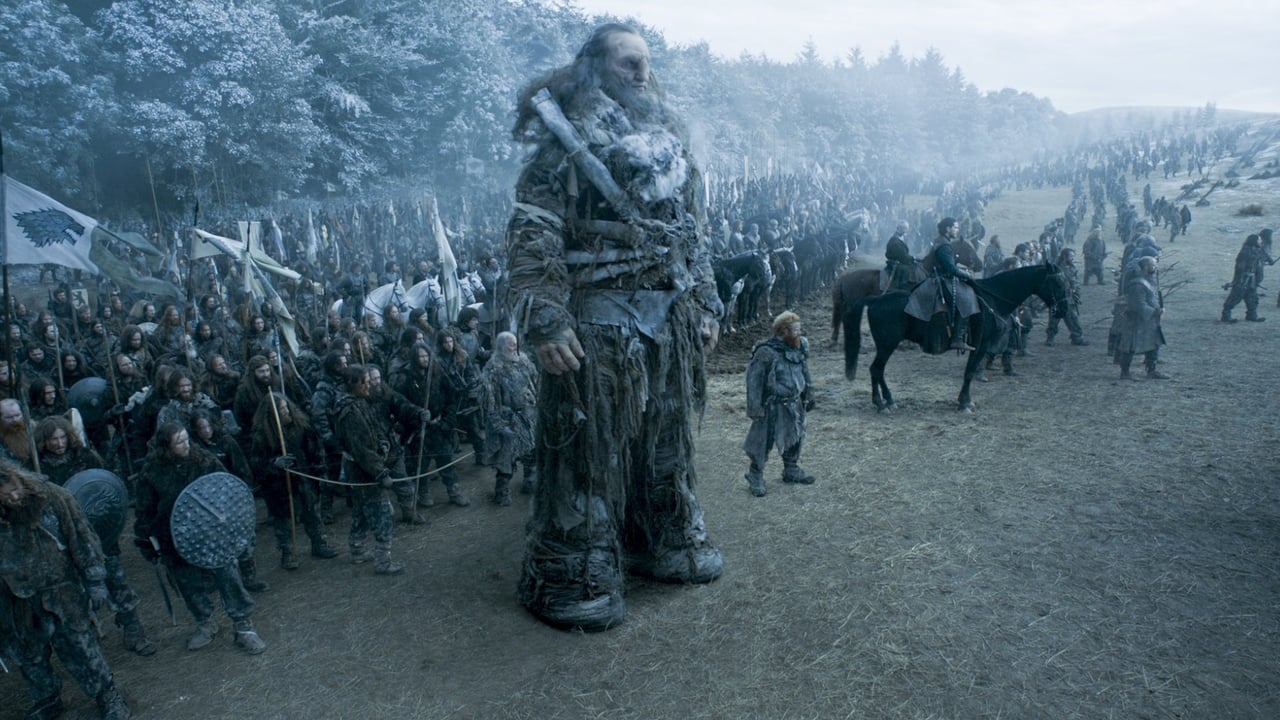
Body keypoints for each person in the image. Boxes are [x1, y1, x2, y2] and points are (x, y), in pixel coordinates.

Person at [506, 23, 725, 631]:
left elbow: (692, 232)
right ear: (596, 66)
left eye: (646, 62)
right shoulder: (562, 145)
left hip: (669, 322)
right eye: (628, 62)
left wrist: (705, 302)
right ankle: (574, 569)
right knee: (588, 447)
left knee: (665, 440)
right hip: (596, 327)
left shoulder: (668, 142)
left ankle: (663, 535)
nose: (641, 73)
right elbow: (534, 233)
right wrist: (547, 319)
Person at [0, 460, 132, 720]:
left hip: (61, 593)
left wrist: (95, 580)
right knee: (30, 657)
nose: (13, 498)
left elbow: (82, 537)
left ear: (19, 479)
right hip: (17, 599)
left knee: (82, 648)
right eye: (4, 496)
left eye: (14, 490)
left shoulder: (52, 497)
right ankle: (47, 699)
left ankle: (108, 695)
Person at [133, 422, 267, 654]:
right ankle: (206, 623)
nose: (186, 445)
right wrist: (147, 541)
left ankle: (243, 626)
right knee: (188, 583)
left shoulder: (204, 461)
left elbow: (226, 491)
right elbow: (145, 510)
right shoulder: (151, 471)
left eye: (186, 439)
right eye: (179, 442)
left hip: (213, 534)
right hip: (174, 537)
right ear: (166, 446)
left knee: (228, 577)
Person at [249, 392, 340, 570]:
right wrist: (274, 464)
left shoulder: (301, 426)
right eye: (281, 410)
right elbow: (256, 464)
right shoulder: (262, 436)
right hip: (279, 487)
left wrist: (319, 469)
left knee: (312, 513)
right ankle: (288, 552)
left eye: (286, 408)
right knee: (283, 520)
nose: (286, 412)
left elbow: (315, 449)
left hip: (304, 480)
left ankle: (319, 543)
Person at [332, 365, 404, 575]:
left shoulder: (360, 402)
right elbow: (362, 450)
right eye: (363, 382)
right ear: (351, 384)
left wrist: (383, 443)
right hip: (362, 471)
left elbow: (373, 430)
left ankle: (357, 549)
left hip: (363, 468)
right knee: (383, 513)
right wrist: (381, 473)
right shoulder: (349, 412)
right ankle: (383, 562)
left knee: (361, 510)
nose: (368, 385)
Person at [742, 312, 815, 497]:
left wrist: (809, 394)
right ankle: (755, 475)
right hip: (772, 407)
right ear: (783, 331)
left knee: (795, 437)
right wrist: (754, 408)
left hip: (794, 404)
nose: (799, 333)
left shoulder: (798, 347)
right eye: (796, 330)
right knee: (761, 442)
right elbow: (754, 381)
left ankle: (791, 469)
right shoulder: (765, 352)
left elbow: (804, 370)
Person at [479, 332, 538, 506]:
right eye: (510, 344)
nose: (514, 346)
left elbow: (535, 383)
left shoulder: (524, 362)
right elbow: (488, 401)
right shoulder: (493, 368)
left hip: (527, 416)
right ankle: (502, 491)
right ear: (501, 346)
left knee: (531, 451)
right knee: (506, 458)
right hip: (507, 418)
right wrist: (499, 425)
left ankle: (529, 480)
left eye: (515, 343)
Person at [914, 217, 979, 351]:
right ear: (948, 229)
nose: (957, 230)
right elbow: (951, 269)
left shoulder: (940, 241)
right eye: (955, 227)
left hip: (937, 277)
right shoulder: (944, 245)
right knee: (966, 302)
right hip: (940, 280)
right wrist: (967, 275)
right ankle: (957, 339)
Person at [1113, 256, 1168, 380]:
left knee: (1154, 343)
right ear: (1146, 267)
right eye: (1153, 265)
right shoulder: (1137, 284)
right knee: (1130, 346)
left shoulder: (1147, 281)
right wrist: (1155, 312)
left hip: (1149, 320)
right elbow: (1138, 304)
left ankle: (1151, 370)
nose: (1156, 268)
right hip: (1136, 320)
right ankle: (1125, 373)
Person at [1220, 234, 1273, 323]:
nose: (1261, 242)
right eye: (1259, 240)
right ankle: (1226, 316)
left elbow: (1265, 260)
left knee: (1252, 298)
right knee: (1235, 297)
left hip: (1252, 280)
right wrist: (1238, 280)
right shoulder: (1245, 252)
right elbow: (1240, 267)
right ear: (1254, 241)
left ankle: (1252, 316)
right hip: (1243, 279)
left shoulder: (1258, 250)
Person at [1045, 248, 1089, 346]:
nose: (1072, 258)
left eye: (1073, 256)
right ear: (1064, 256)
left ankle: (1077, 338)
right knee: (1054, 320)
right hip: (1057, 299)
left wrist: (1077, 294)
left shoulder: (1073, 268)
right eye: (1071, 256)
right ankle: (1050, 338)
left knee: (1073, 319)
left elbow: (1076, 283)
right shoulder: (1055, 268)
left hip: (1069, 298)